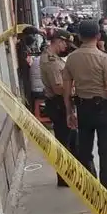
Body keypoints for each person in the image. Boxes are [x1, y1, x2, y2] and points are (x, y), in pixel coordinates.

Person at [63, 20, 107, 202]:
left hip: (83, 109)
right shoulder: (104, 58)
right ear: (98, 36)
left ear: (79, 36)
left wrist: (70, 112)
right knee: (105, 151)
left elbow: (67, 89)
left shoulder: (71, 58)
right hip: (103, 110)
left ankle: (91, 188)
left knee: (85, 150)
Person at [39, 30, 77, 187]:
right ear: (58, 41)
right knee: (64, 142)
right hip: (58, 104)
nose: (66, 46)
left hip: (59, 103)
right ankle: (64, 177)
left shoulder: (53, 58)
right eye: (65, 43)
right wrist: (74, 89)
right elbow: (58, 88)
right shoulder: (51, 62)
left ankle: (70, 174)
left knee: (71, 140)